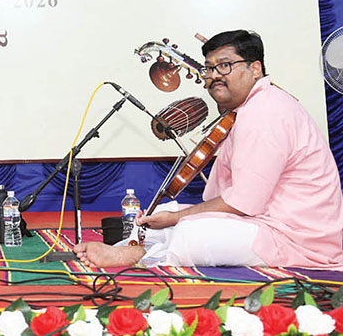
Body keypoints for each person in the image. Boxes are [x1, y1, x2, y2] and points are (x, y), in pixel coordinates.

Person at [75, 30, 343, 269]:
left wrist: (177, 218)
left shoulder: (266, 112)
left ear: (256, 69)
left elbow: (241, 203)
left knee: (190, 233)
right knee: (164, 216)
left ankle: (134, 256)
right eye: (209, 68)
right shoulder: (251, 107)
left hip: (297, 236)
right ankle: (127, 250)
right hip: (266, 220)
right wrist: (174, 216)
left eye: (225, 65)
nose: (214, 75)